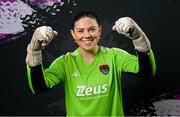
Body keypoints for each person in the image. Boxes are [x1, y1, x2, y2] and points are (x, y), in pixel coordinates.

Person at [25, 11, 156, 116]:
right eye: (80, 31)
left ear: (100, 31)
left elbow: (146, 72)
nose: (87, 35)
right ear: (73, 35)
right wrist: (34, 51)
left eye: (92, 29)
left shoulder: (115, 56)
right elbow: (39, 88)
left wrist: (139, 38)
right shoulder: (65, 62)